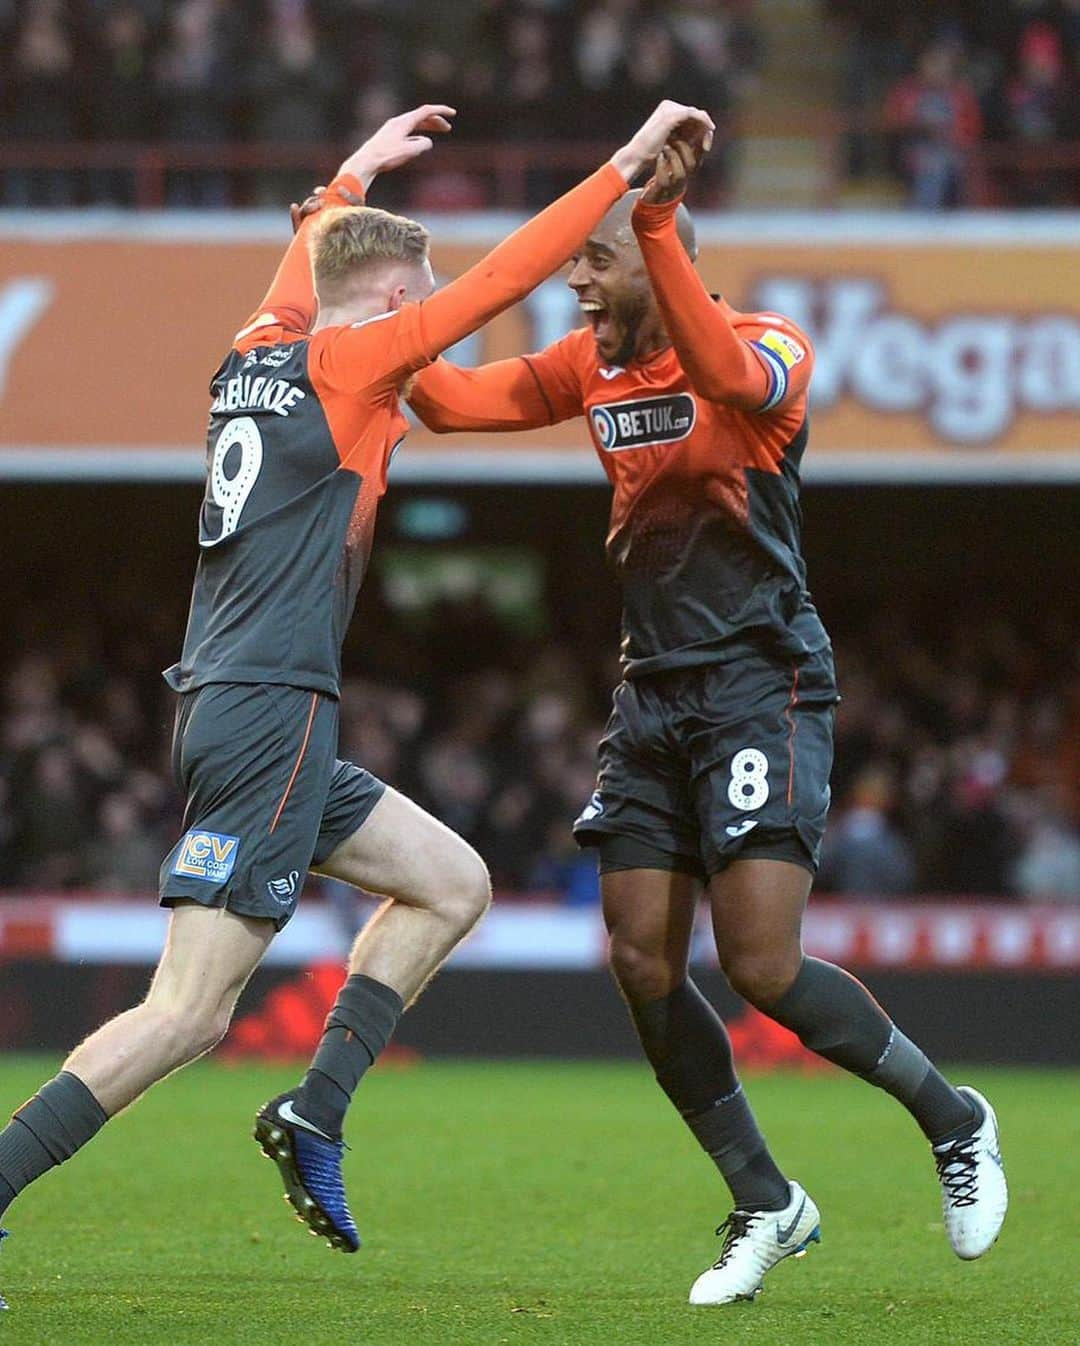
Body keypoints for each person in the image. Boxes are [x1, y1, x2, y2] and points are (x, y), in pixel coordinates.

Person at [0, 98, 714, 1305]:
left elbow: (313, 267)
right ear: (392, 310)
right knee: (185, 1011)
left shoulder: (258, 348)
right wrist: (625, 168)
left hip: (245, 705)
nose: (425, 328)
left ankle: (315, 1108)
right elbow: (505, 278)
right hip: (270, 710)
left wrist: (345, 180)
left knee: (452, 883)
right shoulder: (354, 359)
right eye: (414, 305)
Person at [405, 136, 1008, 1304]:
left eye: (592, 259)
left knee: (763, 964)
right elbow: (441, 396)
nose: (574, 281)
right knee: (637, 956)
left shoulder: (770, 346)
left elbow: (732, 381)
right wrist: (389, 304)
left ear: (658, 253)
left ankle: (954, 1119)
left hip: (761, 678)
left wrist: (663, 214)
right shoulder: (589, 366)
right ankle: (766, 1200)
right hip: (654, 688)